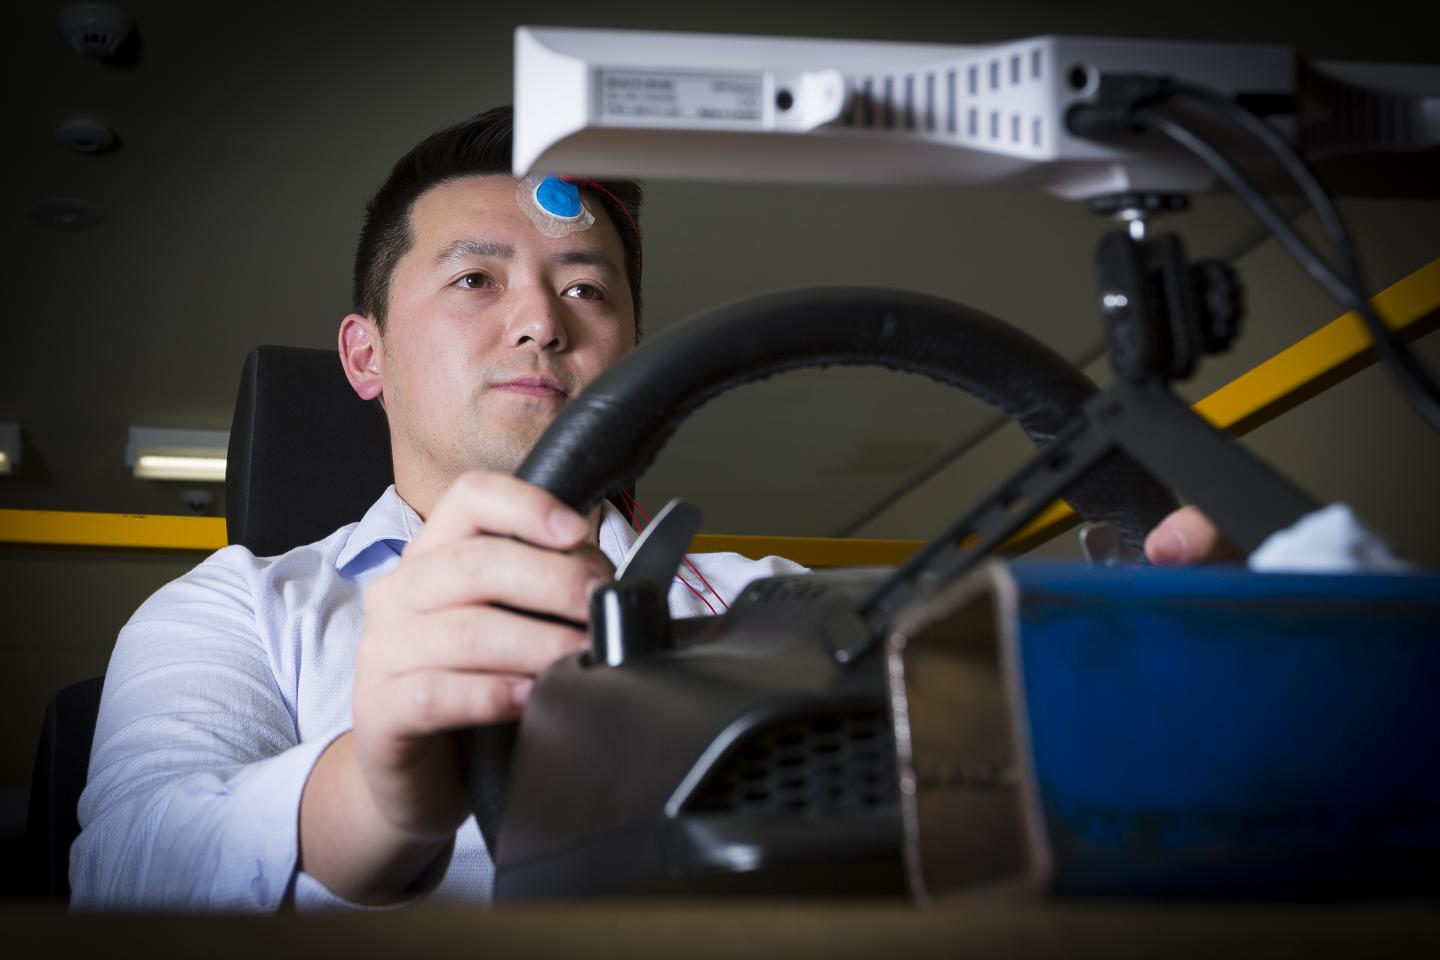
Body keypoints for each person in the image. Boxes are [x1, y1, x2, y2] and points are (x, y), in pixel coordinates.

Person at [70, 106, 1228, 911]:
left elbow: (988, 795)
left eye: (585, 287)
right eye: (476, 279)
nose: (543, 320)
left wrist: (1149, 671)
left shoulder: (772, 603)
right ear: (364, 354)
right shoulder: (239, 609)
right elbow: (124, 869)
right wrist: (368, 789)